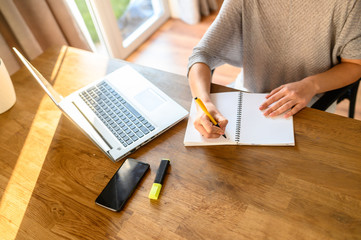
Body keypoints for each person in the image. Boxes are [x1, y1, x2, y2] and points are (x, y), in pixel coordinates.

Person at [187, 0, 361, 139]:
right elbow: (202, 54)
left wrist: (310, 85)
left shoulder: (349, 3)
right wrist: (204, 103)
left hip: (313, 102)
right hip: (250, 93)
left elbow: (355, 64)